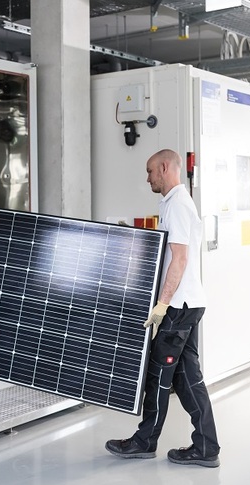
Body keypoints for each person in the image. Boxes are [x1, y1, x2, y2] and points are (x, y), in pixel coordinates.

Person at [106, 149, 221, 467]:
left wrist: (162, 304)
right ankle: (206, 447)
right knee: (186, 378)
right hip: (188, 304)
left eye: (150, 171)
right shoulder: (173, 204)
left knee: (158, 375)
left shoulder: (179, 206)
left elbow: (180, 259)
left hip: (181, 306)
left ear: (165, 168)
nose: (148, 178)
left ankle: (144, 442)